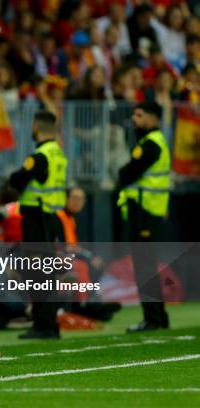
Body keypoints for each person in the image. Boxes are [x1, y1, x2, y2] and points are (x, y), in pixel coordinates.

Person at [9, 111, 67, 339]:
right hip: (50, 217)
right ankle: (48, 324)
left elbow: (17, 179)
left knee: (38, 274)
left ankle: (43, 326)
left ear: (37, 126)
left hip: (38, 219)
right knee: (46, 273)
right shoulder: (57, 153)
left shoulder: (41, 155)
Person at [117, 101, 171, 332]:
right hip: (149, 212)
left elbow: (126, 173)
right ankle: (159, 317)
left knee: (144, 267)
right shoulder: (152, 142)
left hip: (145, 213)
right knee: (147, 266)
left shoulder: (150, 145)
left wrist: (124, 172)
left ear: (153, 118)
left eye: (139, 115)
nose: (134, 119)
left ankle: (153, 319)